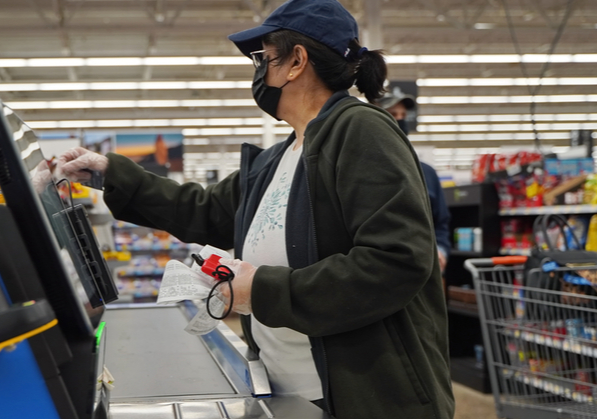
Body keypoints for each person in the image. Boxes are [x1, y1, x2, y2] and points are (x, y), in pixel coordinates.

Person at [54, 0, 454, 417]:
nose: (259, 71)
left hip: (364, 398)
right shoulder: (276, 160)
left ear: (297, 61)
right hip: (291, 389)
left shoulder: (360, 130)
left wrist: (258, 289)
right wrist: (110, 174)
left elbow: (395, 262)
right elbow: (202, 210)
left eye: (263, 58)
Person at [375, 92, 452, 269]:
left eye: (404, 116)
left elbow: (440, 221)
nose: (400, 121)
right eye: (393, 115)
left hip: (422, 267)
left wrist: (441, 250)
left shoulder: (427, 173)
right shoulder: (361, 168)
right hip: (379, 270)